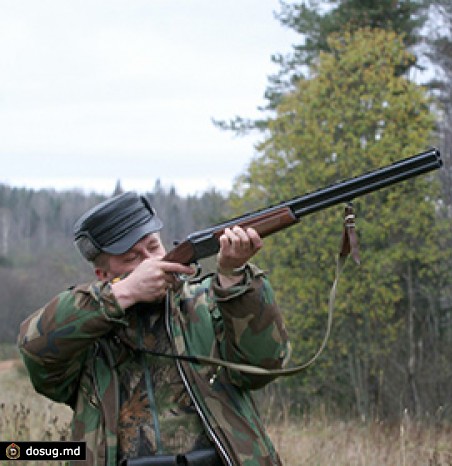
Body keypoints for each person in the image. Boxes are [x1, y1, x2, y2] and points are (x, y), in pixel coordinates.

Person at [18, 192, 290, 466]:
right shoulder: (86, 331)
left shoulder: (210, 302)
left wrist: (234, 277)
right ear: (103, 276)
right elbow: (35, 348)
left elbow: (262, 367)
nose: (150, 262)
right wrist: (121, 295)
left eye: (153, 247)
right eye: (132, 258)